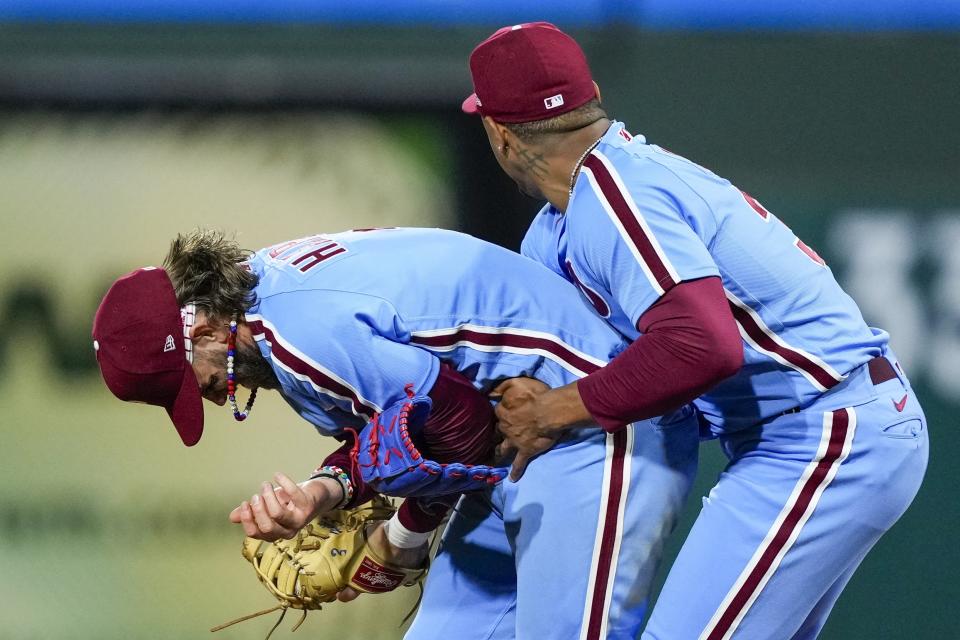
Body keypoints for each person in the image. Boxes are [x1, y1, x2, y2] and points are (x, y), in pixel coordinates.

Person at [462, 22, 929, 640]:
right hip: (811, 430)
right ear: (594, 93)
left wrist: (553, 412)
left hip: (828, 427)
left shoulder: (616, 192)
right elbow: (569, 366)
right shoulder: (563, 222)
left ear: (497, 132)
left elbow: (701, 344)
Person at [92, 228, 699, 639]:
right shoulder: (263, 301)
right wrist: (324, 494)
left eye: (185, 380)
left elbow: (461, 430)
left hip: (592, 423)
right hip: (520, 438)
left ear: (201, 333)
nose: (202, 394)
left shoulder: (300, 334)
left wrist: (398, 534)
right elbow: (430, 420)